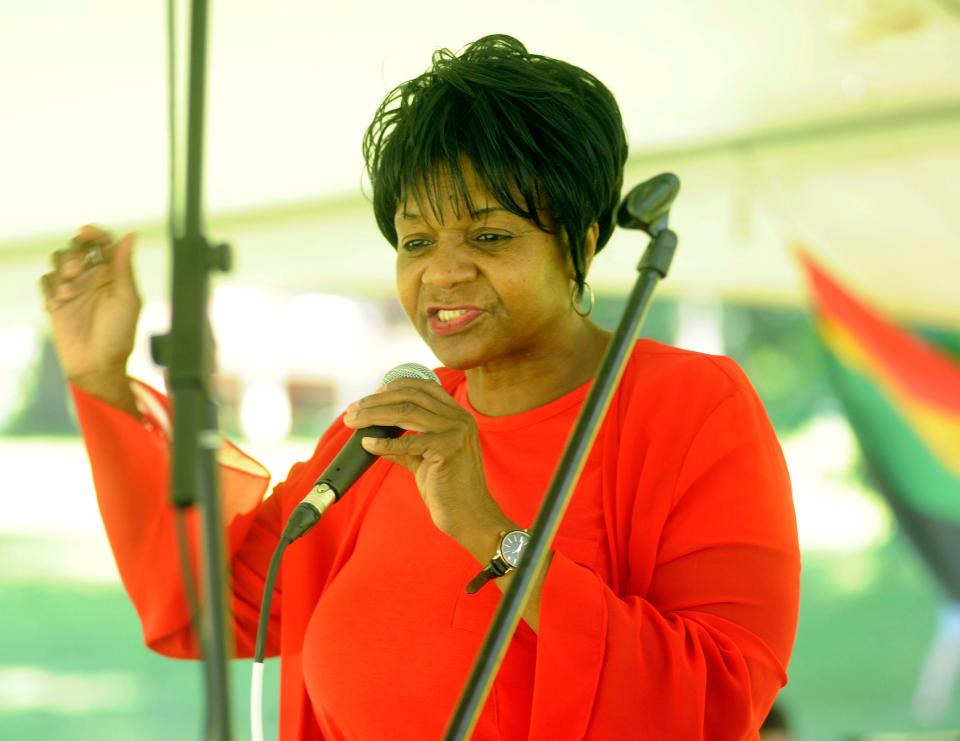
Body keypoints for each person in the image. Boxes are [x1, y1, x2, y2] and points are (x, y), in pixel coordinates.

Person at [41, 34, 800, 740]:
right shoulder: (395, 425)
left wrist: (485, 528)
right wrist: (101, 377)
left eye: (490, 236)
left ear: (584, 238)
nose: (442, 272)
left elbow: (718, 698)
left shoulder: (690, 405)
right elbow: (216, 603)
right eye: (415, 241)